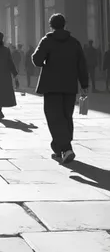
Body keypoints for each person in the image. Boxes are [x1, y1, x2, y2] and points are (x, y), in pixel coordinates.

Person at [32, 13, 88, 164]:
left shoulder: (47, 40)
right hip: (69, 86)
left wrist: (46, 65)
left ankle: (66, 148)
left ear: (51, 25)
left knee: (54, 118)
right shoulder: (74, 42)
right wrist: (84, 85)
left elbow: (36, 60)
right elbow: (82, 65)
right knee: (66, 116)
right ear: (64, 24)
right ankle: (59, 150)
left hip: (51, 86)